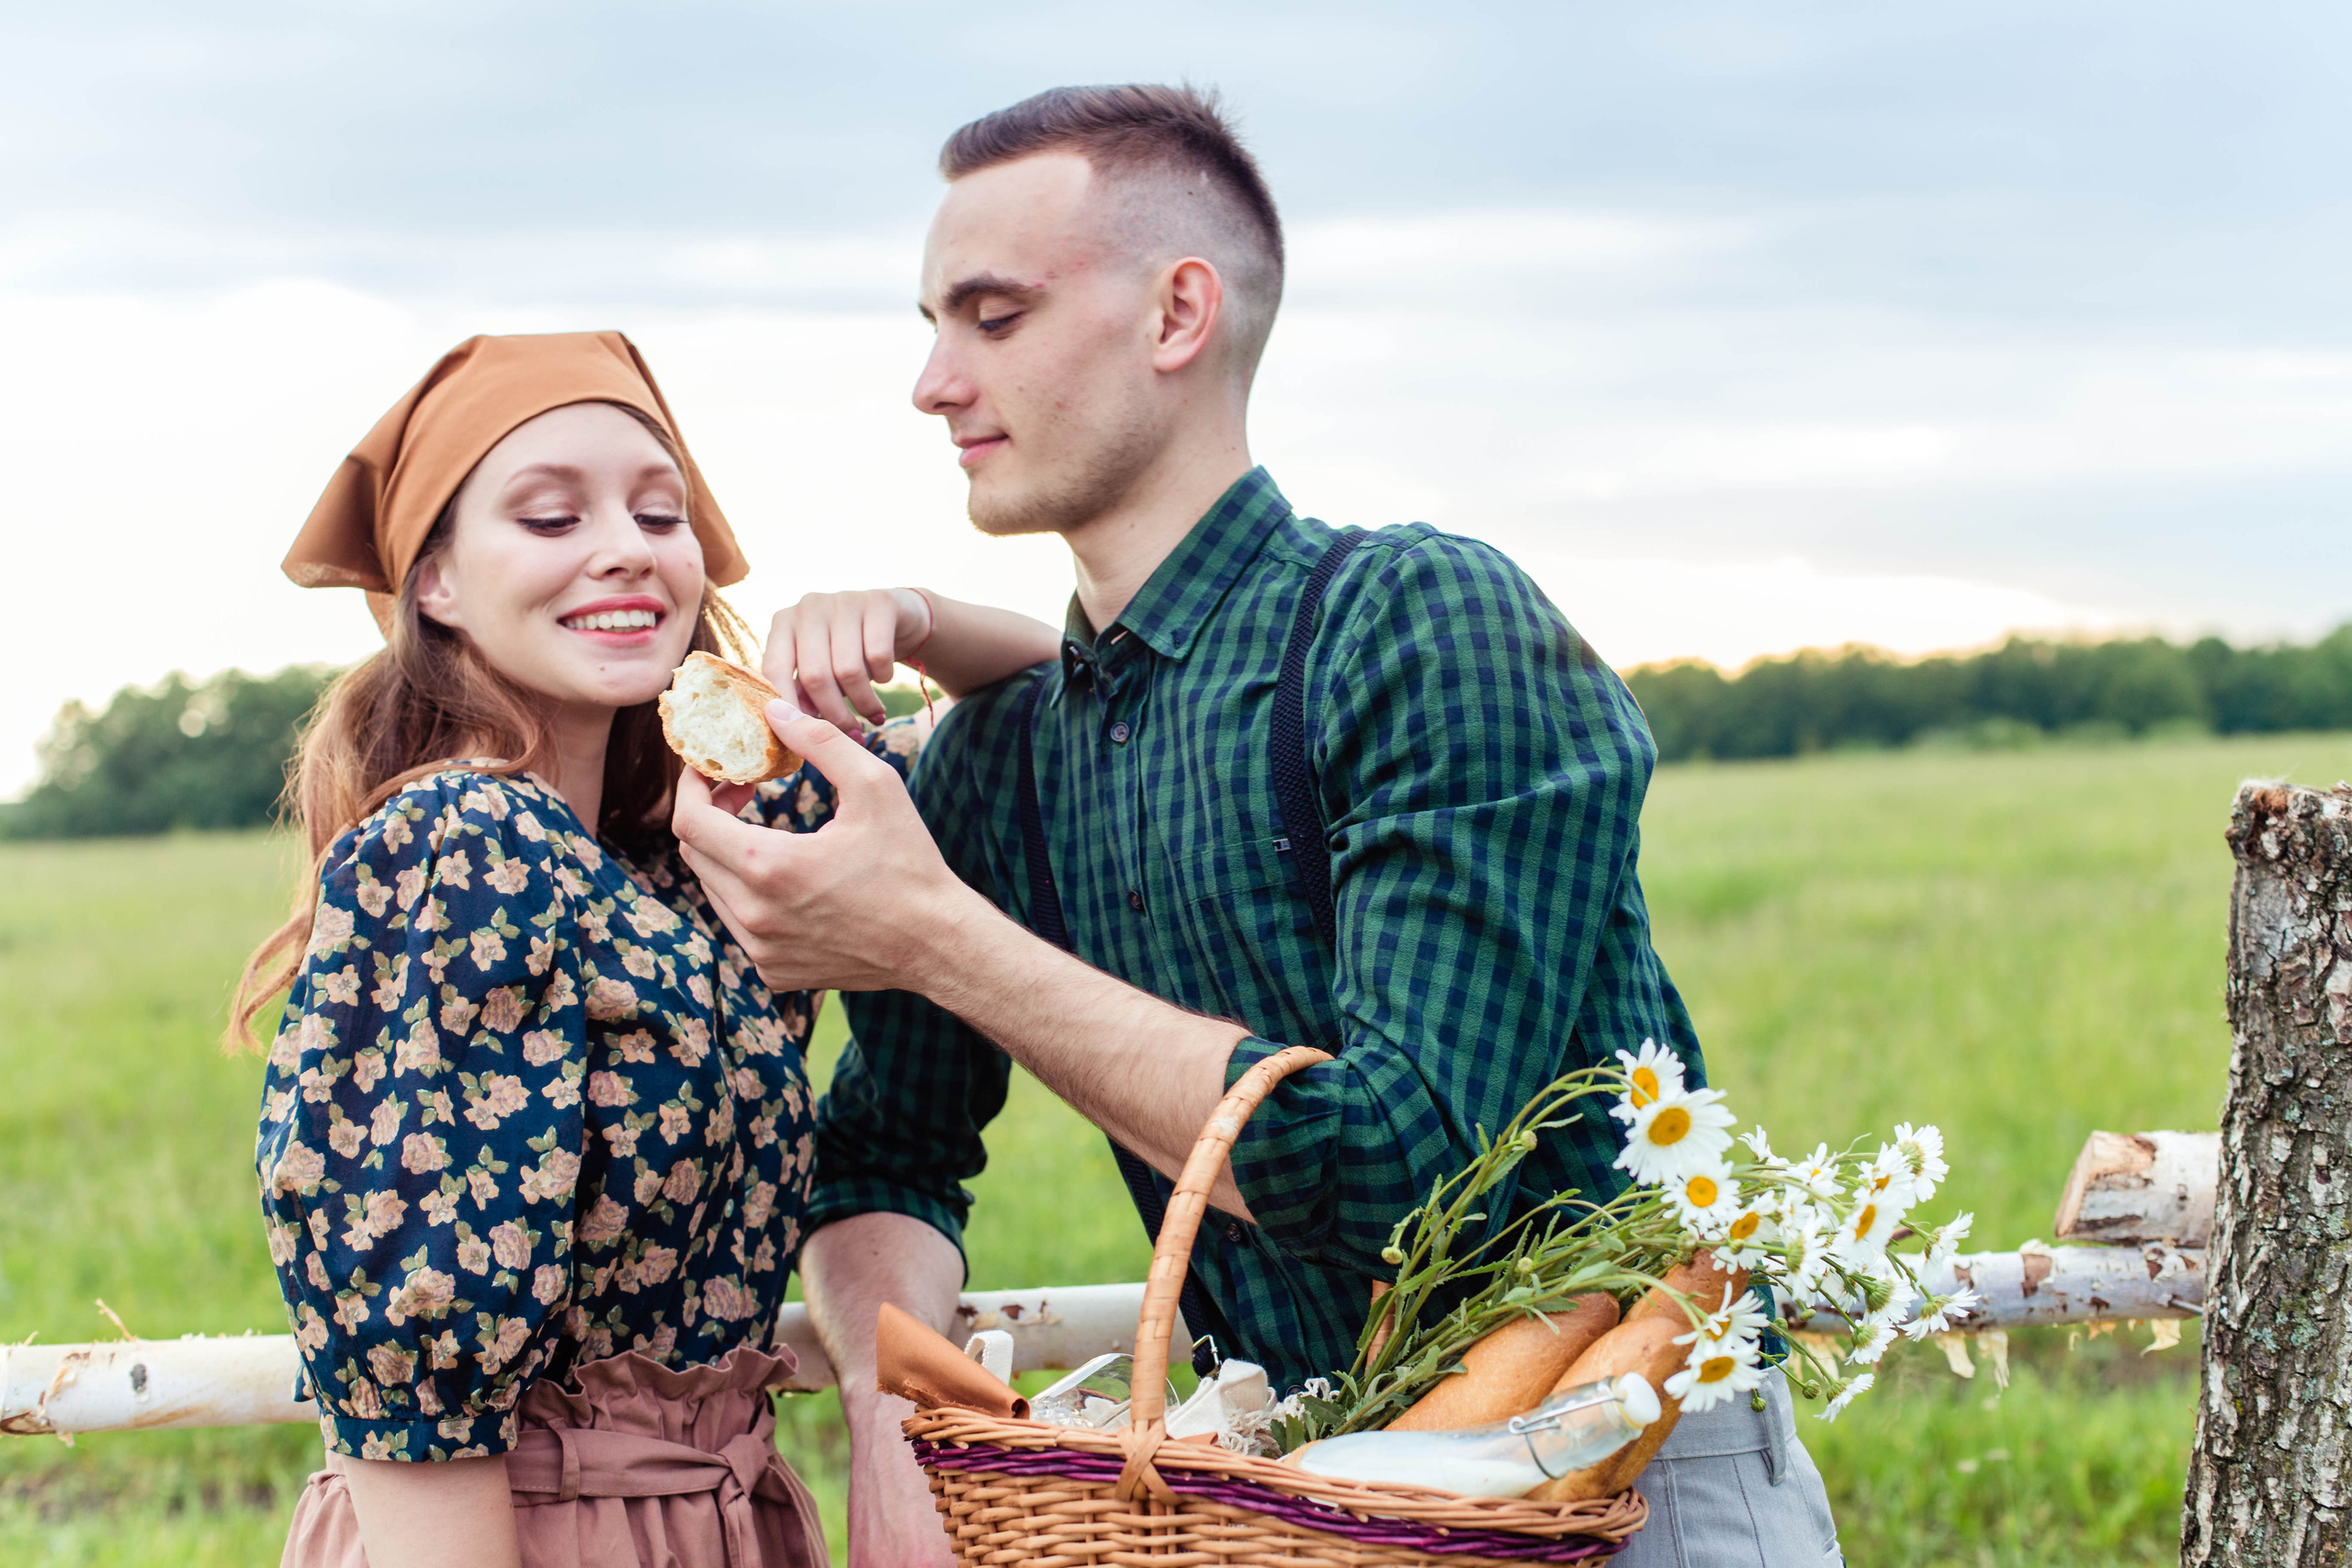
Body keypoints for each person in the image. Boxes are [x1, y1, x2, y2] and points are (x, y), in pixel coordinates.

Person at [671, 88, 1845, 1567]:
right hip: (1279, 1500)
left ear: (1177, 313)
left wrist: (930, 935)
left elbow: (1398, 1174)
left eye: (993, 316)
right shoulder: (1000, 761)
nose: (931, 381)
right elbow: (885, 1162)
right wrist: (890, 1406)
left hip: (1605, 1468)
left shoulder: (1423, 622)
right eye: (932, 322)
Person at [236, 330, 1060, 1568]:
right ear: (438, 584)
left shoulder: (692, 855)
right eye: (552, 517)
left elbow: (1061, 704)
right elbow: (414, 1384)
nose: (625, 545)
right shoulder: (460, 845)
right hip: (534, 1532)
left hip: (722, 1515)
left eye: (659, 511)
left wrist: (910, 616)